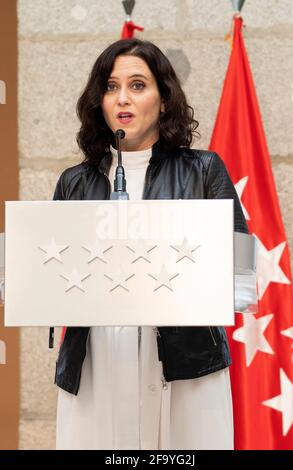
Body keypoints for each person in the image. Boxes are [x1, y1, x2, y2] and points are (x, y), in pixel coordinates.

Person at [53, 38, 248, 450]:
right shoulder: (75, 182)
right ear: (98, 102)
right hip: (96, 360)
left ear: (163, 101)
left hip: (187, 361)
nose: (122, 97)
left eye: (138, 85)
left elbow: (243, 277)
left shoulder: (204, 170)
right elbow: (48, 275)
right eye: (110, 86)